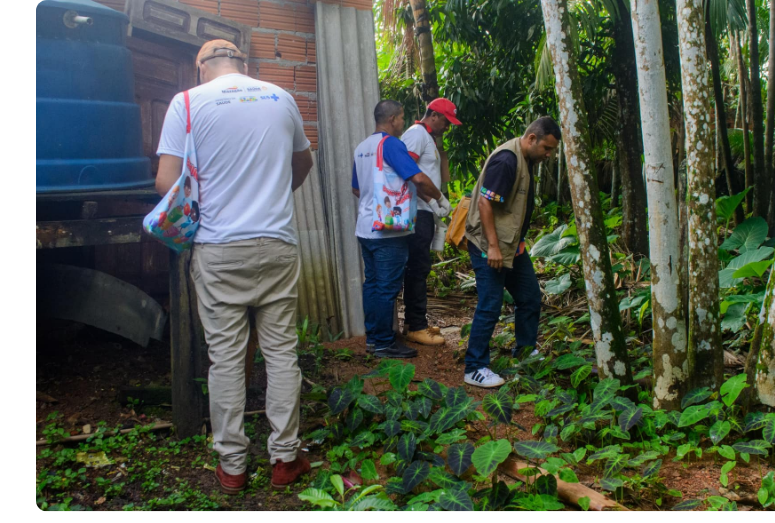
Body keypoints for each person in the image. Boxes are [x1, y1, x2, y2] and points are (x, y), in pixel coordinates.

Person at [155, 39, 314, 494]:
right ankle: (285, 458)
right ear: (245, 63)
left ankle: (232, 466)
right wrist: (269, 196)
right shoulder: (280, 97)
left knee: (225, 358)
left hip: (218, 248)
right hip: (277, 243)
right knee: (282, 353)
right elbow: (302, 164)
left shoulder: (186, 102)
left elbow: (167, 181)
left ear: (200, 66)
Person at [463, 116, 561, 388]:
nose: (549, 155)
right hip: (489, 246)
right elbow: (484, 203)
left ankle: (525, 352)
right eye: (547, 148)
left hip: (511, 247)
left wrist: (516, 242)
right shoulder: (507, 160)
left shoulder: (527, 159)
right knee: (490, 304)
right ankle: (475, 367)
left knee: (529, 297)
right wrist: (493, 246)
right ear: (532, 139)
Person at [352, 100, 451, 358]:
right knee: (386, 287)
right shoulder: (392, 144)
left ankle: (374, 339)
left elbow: (356, 188)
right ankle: (385, 343)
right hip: (388, 230)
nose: (403, 123)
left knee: (372, 284)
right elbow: (417, 177)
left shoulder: (363, 147)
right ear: (393, 118)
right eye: (402, 118)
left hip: (365, 227)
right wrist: (438, 198)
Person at [400, 98, 460, 346]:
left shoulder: (428, 138)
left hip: (425, 210)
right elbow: (407, 172)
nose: (448, 126)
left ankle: (415, 323)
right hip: (417, 211)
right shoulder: (416, 135)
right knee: (417, 267)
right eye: (446, 121)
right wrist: (433, 199)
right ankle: (416, 327)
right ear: (434, 115)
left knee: (420, 266)